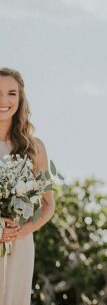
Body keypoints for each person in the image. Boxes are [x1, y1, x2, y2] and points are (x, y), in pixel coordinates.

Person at [0, 67, 55, 305]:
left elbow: (48, 205)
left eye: (12, 93)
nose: (4, 101)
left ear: (20, 99)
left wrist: (21, 231)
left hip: (20, 246)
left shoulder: (34, 148)